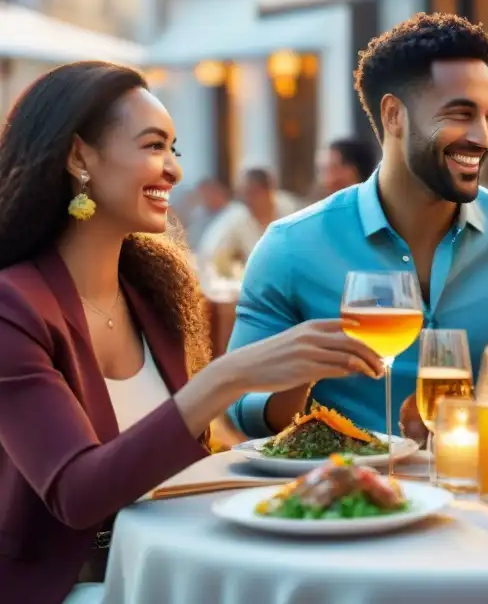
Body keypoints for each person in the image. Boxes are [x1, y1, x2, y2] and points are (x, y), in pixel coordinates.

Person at [0, 62, 383, 603]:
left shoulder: (153, 294)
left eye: (173, 150)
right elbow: (77, 492)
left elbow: (183, 465)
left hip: (164, 571)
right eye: (154, 146)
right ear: (79, 156)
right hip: (69, 587)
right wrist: (228, 376)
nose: (174, 171)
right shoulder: (13, 306)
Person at [225, 12, 488, 438]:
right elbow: (239, 411)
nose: (483, 137)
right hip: (348, 494)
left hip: (481, 489)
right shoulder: (289, 247)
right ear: (394, 116)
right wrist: (304, 370)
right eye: (461, 114)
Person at [196, 167, 301, 275]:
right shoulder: (237, 215)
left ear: (269, 191)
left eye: (252, 192)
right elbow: (208, 253)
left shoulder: (291, 210)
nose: (247, 199)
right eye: (243, 194)